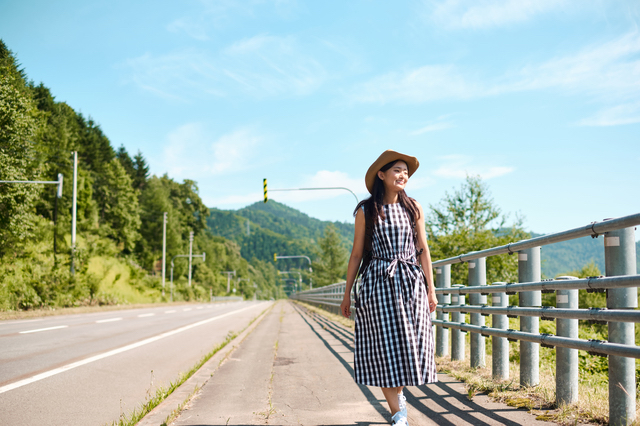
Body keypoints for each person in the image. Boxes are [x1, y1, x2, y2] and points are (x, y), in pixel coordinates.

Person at [340, 150, 438, 426]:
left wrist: (431, 289)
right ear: (381, 175)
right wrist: (347, 293)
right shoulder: (366, 210)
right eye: (397, 170)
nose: (403, 175)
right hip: (377, 285)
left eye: (405, 171)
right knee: (383, 348)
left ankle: (399, 399)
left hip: (410, 284)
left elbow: (423, 250)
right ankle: (398, 413)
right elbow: (356, 254)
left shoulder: (413, 207)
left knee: (409, 344)